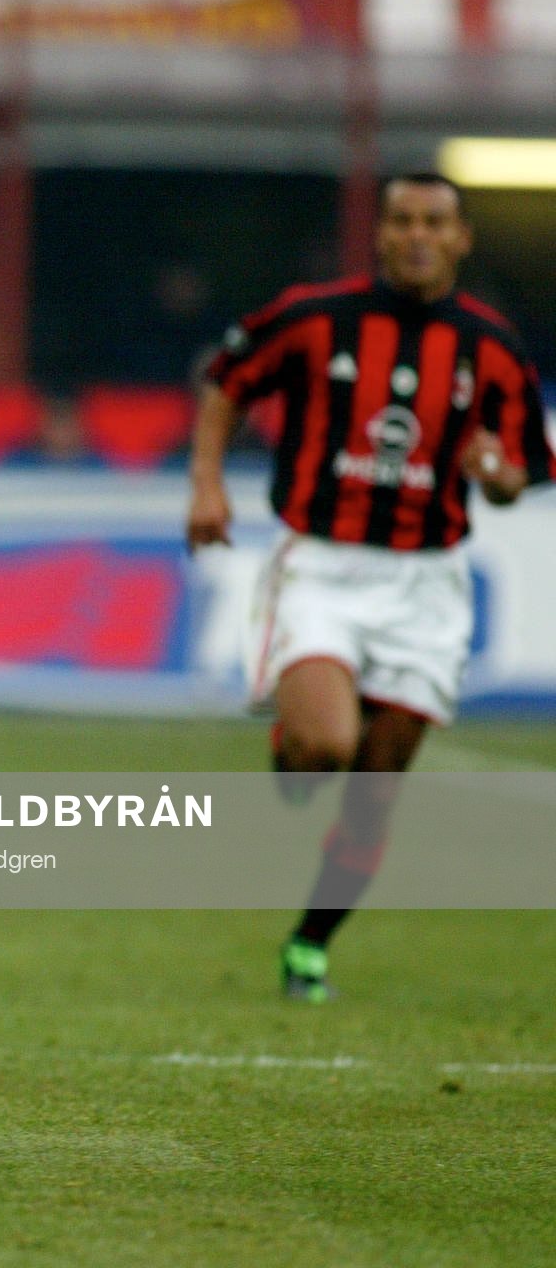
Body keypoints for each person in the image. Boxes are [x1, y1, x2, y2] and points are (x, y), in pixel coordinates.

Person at [185, 171, 554, 1003]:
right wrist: (206, 485)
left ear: (461, 239)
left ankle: (310, 945)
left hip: (427, 585)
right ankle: (294, 744)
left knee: (373, 798)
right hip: (323, 563)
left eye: (434, 222)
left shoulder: (492, 346)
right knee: (325, 749)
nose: (416, 235)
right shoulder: (317, 318)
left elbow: (524, 464)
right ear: (380, 235)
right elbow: (227, 380)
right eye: (401, 221)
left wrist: (499, 476)